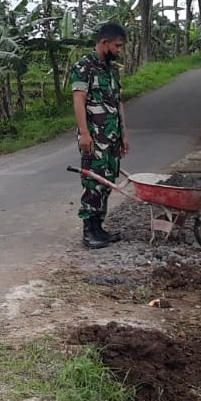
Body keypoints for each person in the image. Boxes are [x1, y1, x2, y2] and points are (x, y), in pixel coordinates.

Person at [72, 22, 129, 249]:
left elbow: (118, 102)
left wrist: (124, 135)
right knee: (93, 181)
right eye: (117, 46)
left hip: (112, 137)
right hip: (94, 137)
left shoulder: (112, 70)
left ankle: (99, 229)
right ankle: (88, 232)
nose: (119, 50)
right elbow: (78, 100)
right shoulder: (84, 67)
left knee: (106, 182)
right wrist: (84, 134)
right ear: (104, 43)